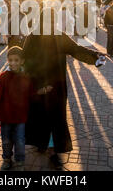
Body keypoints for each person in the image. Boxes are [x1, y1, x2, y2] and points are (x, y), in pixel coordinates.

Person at [22, 9, 105, 170]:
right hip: (38, 85)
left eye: (52, 20)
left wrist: (95, 56)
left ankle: (54, 150)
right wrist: (34, 82)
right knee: (39, 115)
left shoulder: (60, 36)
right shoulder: (33, 36)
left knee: (56, 118)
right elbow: (25, 59)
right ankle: (41, 142)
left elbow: (77, 50)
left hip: (56, 86)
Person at [0, 46, 33, 171]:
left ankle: (19, 162)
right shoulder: (3, 77)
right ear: (7, 61)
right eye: (10, 60)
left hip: (20, 118)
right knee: (6, 141)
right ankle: (7, 159)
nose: (13, 63)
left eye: (16, 60)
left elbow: (31, 94)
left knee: (20, 141)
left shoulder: (26, 77)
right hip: (6, 118)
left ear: (22, 61)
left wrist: (41, 92)